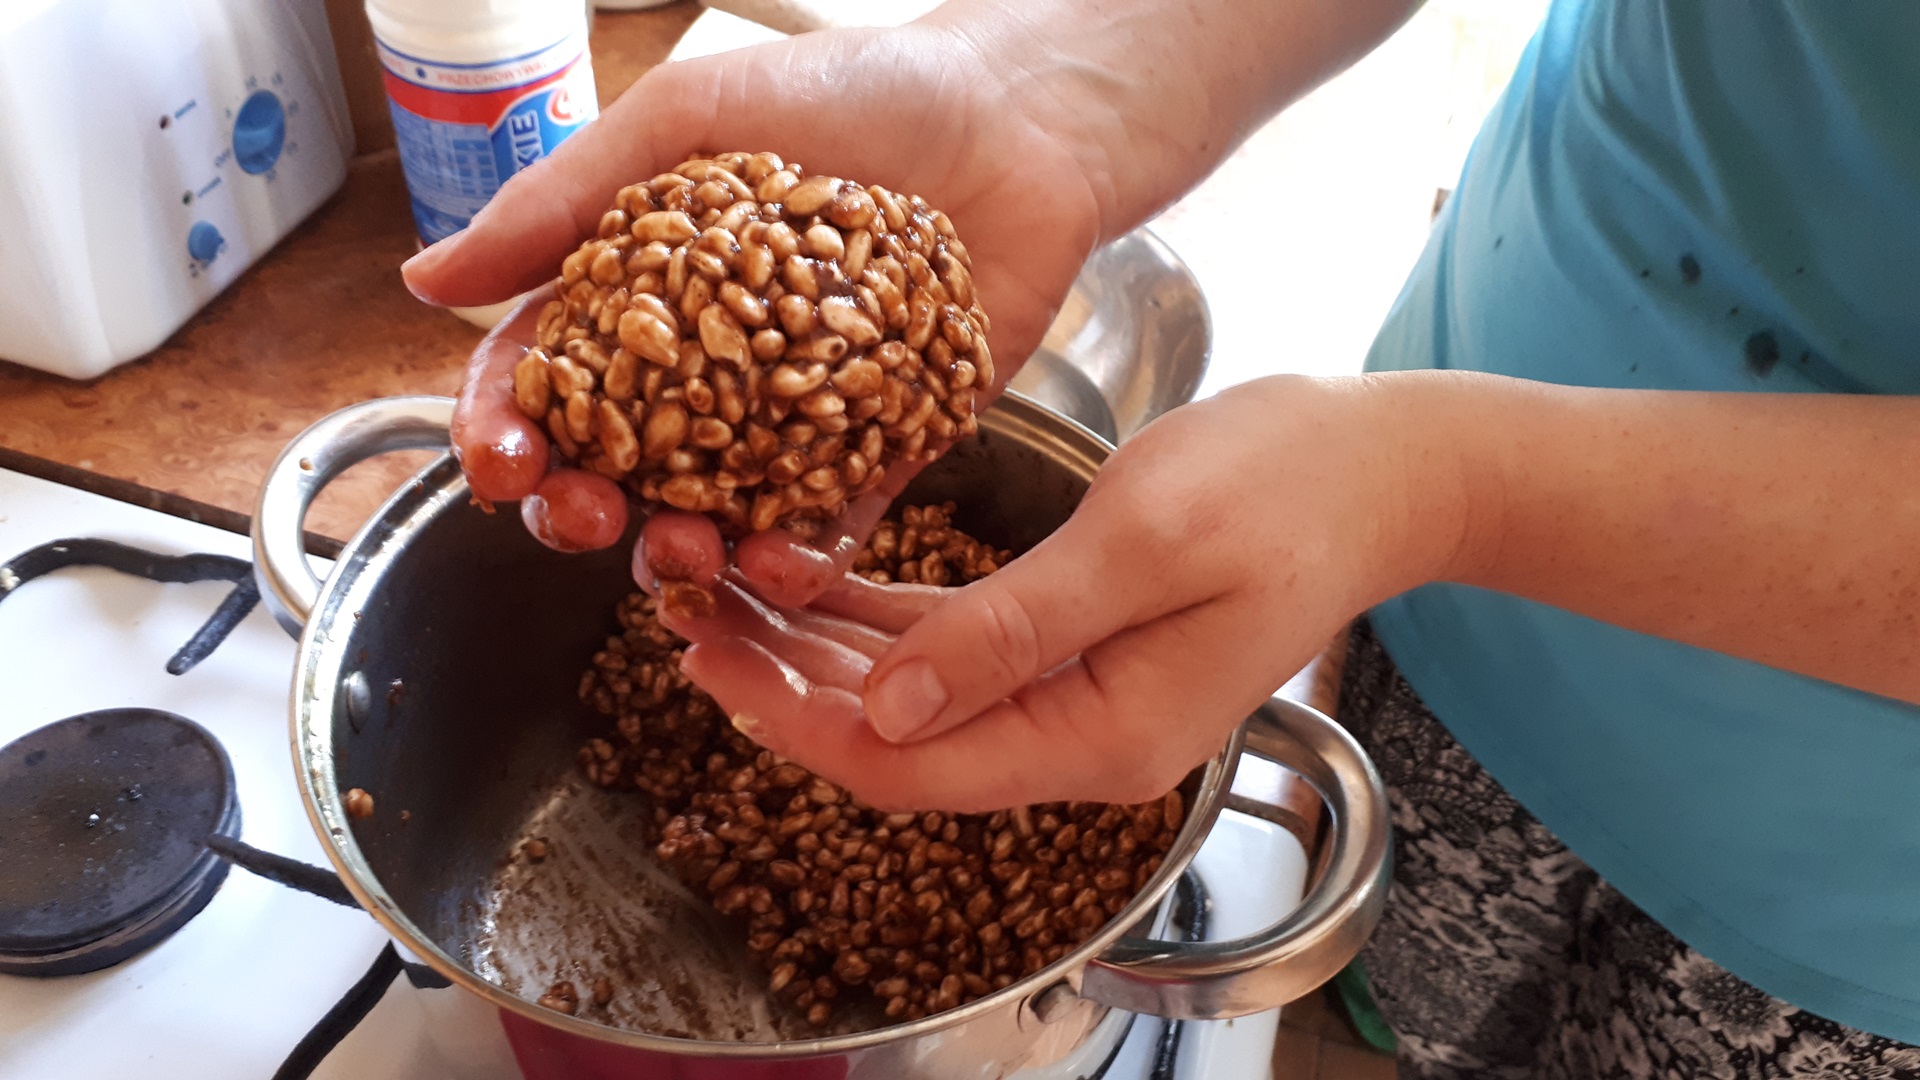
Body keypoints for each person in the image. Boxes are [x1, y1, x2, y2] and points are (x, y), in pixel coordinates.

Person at [402, 0, 1920, 1074]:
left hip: (1859, 888)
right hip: (1455, 545)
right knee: (1439, 1018)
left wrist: (1444, 488)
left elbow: (1426, 487)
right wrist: (1039, 89)